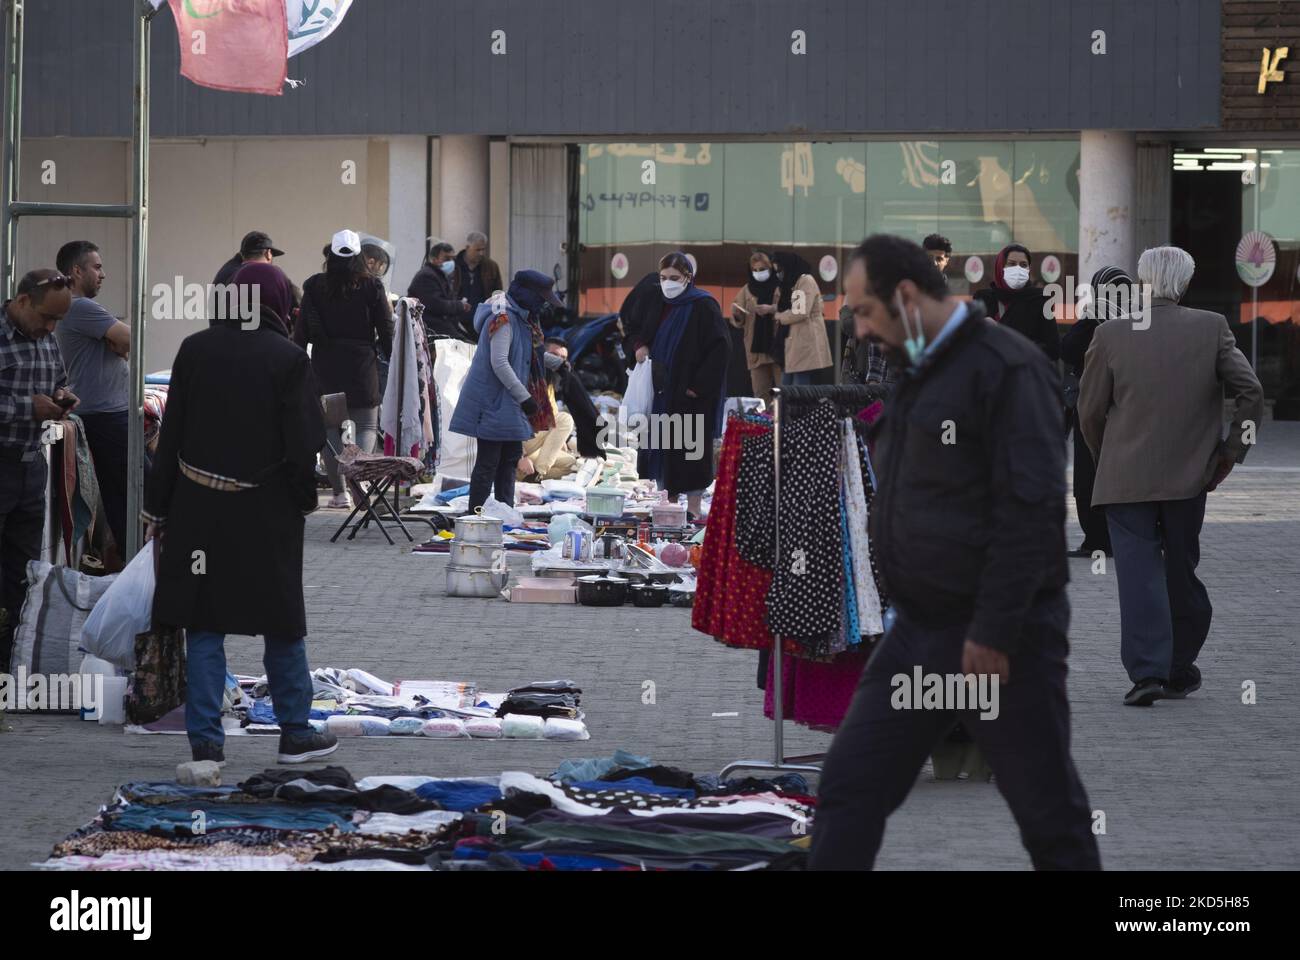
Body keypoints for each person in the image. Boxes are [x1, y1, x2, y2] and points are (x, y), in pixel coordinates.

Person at [810, 234, 1098, 871]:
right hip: (919, 633)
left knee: (1049, 816)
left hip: (1004, 640)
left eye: (863, 310)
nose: (857, 329)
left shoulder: (1007, 369)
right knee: (848, 789)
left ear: (907, 297)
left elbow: (1031, 514)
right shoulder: (918, 365)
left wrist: (993, 631)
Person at [145, 262, 335, 765]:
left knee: (204, 622)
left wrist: (157, 507)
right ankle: (295, 733)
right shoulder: (288, 358)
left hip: (198, 509)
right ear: (275, 303)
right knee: (281, 620)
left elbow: (171, 439)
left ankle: (206, 742)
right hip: (266, 513)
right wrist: (303, 501)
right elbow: (304, 447)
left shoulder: (194, 350)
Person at [1078, 246, 1263, 707]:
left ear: (1142, 280)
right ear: (1185, 282)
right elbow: (1251, 393)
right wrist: (1229, 453)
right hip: (1189, 477)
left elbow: (1089, 411)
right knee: (1180, 571)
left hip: (1123, 479)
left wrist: (1108, 454)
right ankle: (1178, 665)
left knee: (1139, 576)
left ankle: (1147, 674)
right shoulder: (1210, 327)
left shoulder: (1110, 332)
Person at [0, 270, 76, 670]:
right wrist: (28, 408)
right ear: (23, 300)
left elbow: (59, 379)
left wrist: (62, 396)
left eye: (57, 322)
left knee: (23, 571)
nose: (50, 327)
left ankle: (11, 661)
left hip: (31, 467)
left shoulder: (47, 338)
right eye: (47, 317)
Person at [450, 270, 562, 511]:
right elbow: (499, 362)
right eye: (541, 298)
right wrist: (526, 398)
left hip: (507, 403)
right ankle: (476, 518)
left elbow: (530, 353)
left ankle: (504, 515)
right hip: (492, 403)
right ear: (527, 295)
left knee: (509, 461)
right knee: (488, 463)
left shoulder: (522, 319)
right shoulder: (503, 319)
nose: (543, 304)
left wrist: (558, 364)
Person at [298, 229, 394, 509]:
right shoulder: (372, 287)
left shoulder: (315, 286)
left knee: (330, 431)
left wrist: (297, 362)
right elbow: (386, 329)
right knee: (365, 425)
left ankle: (339, 494)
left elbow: (301, 331)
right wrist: (393, 358)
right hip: (362, 366)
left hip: (326, 365)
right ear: (359, 256)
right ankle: (360, 483)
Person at [630, 252, 729, 518]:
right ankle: (669, 503)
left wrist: (696, 387)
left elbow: (719, 350)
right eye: (663, 277)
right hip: (664, 391)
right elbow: (637, 329)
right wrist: (640, 346)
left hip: (691, 394)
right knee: (667, 449)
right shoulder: (658, 302)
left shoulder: (704, 305)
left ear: (687, 278)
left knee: (692, 450)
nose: (668, 283)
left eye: (674, 278)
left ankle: (694, 509)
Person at [53, 241, 131, 553]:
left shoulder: (75, 309)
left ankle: (132, 562)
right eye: (96, 267)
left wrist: (117, 341)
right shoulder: (81, 307)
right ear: (76, 270)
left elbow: (122, 341)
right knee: (136, 489)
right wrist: (118, 341)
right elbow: (130, 337)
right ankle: (139, 562)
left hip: (103, 414)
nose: (103, 274)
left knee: (120, 494)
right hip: (107, 416)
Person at [1060, 266, 1131, 558]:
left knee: (1099, 472)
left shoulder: (1121, 323)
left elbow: (1070, 349)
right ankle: (1100, 538)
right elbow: (1068, 349)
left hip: (1105, 408)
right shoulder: (1115, 321)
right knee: (1090, 474)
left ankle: (1103, 539)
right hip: (1104, 408)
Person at [973, 243, 1059, 361]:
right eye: (1012, 264)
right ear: (1000, 267)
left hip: (1024, 374)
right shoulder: (983, 299)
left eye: (1023, 265)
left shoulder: (1041, 300)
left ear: (1029, 269)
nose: (1018, 269)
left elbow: (1052, 349)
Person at [517, 339, 579, 483]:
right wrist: (520, 456)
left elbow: (553, 425)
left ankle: (526, 477)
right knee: (565, 419)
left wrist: (560, 443)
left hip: (533, 446)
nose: (558, 362)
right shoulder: (529, 379)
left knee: (571, 463)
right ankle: (537, 471)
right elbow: (510, 420)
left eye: (563, 358)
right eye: (554, 356)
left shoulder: (549, 384)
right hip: (516, 445)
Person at [729, 251, 783, 405]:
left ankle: (784, 426)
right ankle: (765, 427)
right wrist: (737, 315)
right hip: (756, 349)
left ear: (770, 268)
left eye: (762, 269)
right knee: (760, 395)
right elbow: (738, 319)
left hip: (778, 347)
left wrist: (771, 308)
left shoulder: (780, 287)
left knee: (784, 393)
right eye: (755, 270)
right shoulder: (747, 289)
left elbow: (791, 310)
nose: (759, 273)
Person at [771, 251, 832, 386]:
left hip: (803, 343)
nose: (778, 274)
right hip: (793, 344)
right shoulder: (791, 283)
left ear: (788, 266)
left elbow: (799, 312)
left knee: (798, 387)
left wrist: (780, 316)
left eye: (780, 269)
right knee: (786, 387)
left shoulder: (804, 281)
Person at [211, 230, 289, 325]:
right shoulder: (269, 276)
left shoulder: (227, 272)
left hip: (223, 334)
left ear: (242, 254)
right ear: (268, 254)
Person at [406, 239, 474, 342]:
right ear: (434, 259)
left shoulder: (440, 275)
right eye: (446, 258)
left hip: (443, 326)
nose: (451, 262)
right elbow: (436, 305)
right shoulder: (427, 276)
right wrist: (460, 305)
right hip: (432, 328)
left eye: (452, 259)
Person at [450, 231, 505, 315]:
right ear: (467, 247)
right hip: (457, 317)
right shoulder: (453, 265)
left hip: (482, 317)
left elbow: (498, 293)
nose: (481, 253)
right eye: (478, 250)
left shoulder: (491, 266)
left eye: (483, 249)